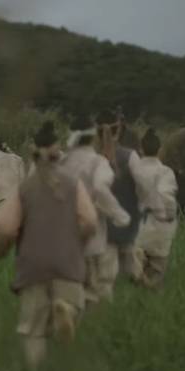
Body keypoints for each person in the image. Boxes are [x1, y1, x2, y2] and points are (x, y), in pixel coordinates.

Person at [0, 121, 98, 371]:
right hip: (67, 263)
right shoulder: (73, 184)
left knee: (34, 331)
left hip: (33, 265)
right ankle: (66, 309)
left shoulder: (24, 188)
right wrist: (75, 241)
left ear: (33, 153)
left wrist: (0, 251)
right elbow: (90, 221)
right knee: (75, 304)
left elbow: (4, 227)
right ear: (58, 153)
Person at [60, 114, 131, 305]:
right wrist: (120, 216)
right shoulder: (97, 162)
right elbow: (100, 189)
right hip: (92, 236)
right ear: (93, 136)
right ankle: (92, 321)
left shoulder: (62, 161)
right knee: (96, 288)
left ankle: (68, 309)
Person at [96, 109, 143, 289]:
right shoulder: (130, 155)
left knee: (106, 273)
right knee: (130, 261)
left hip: (101, 225)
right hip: (128, 221)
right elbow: (143, 186)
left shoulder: (91, 157)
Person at [131, 128, 178, 290]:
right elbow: (167, 200)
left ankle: (137, 271)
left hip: (137, 228)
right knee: (156, 275)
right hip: (160, 229)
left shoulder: (134, 170)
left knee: (136, 278)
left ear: (140, 150)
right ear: (160, 150)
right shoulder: (166, 172)